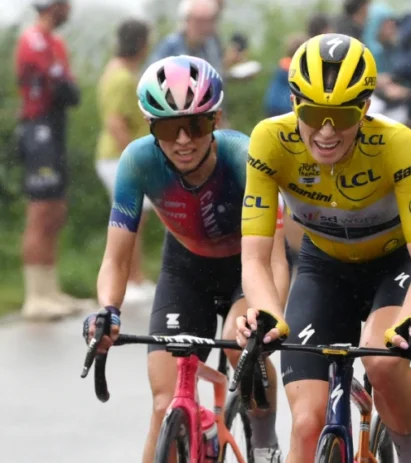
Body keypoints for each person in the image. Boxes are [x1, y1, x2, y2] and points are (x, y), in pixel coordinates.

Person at [237, 33, 411, 463]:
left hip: (393, 265)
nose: (326, 131)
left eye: (342, 116)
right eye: (313, 113)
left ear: (365, 108)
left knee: (384, 363)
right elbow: (256, 256)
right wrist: (266, 310)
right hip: (323, 266)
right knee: (308, 424)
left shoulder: (396, 142)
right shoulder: (269, 141)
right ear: (295, 101)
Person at [82, 55, 289, 463]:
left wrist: (269, 316)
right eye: (167, 128)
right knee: (163, 407)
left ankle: (264, 438)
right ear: (150, 127)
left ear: (216, 120)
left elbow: (275, 261)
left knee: (239, 344)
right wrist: (107, 310)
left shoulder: (244, 157)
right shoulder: (137, 162)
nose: (182, 140)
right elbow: (116, 259)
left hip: (248, 268)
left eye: (195, 125)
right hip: (186, 269)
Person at [15, 0, 92, 320]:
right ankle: (34, 296)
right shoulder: (33, 39)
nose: (70, 8)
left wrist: (64, 84)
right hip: (39, 128)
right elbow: (61, 85)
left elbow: (70, 91)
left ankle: (50, 289)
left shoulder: (55, 43)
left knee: (56, 209)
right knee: (41, 209)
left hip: (56, 126)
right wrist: (63, 84)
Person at [95, 19, 156, 304]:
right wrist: (134, 157)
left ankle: (137, 277)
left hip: (120, 155)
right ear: (141, 42)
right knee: (130, 219)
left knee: (137, 219)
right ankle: (128, 281)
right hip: (119, 156)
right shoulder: (121, 77)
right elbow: (116, 122)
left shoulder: (119, 70)